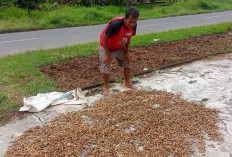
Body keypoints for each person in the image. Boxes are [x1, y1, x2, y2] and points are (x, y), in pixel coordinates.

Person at [99, 6, 139, 96]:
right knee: (105, 64)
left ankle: (127, 83)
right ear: (125, 19)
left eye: (134, 22)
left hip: (119, 46)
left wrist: (127, 52)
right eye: (130, 21)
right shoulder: (115, 24)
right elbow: (104, 38)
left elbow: (128, 38)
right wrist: (108, 55)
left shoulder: (134, 26)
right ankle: (106, 88)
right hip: (107, 46)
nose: (132, 24)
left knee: (127, 61)